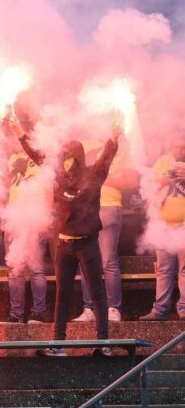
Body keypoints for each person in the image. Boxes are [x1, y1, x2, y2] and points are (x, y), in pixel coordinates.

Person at [10, 116, 120, 357]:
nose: (65, 162)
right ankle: (59, 344)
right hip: (63, 244)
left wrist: (114, 137)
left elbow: (106, 157)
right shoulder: (57, 175)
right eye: (64, 157)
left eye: (70, 157)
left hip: (87, 243)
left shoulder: (93, 175)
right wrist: (18, 131)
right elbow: (36, 155)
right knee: (62, 294)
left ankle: (103, 343)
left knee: (97, 293)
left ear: (78, 158)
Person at [73, 137, 138, 323]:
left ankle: (112, 308)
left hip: (109, 206)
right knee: (84, 261)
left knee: (108, 260)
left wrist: (101, 175)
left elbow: (131, 181)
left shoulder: (123, 147)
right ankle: (89, 309)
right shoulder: (85, 144)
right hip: (85, 207)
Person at [0, 147, 48, 324]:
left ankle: (38, 312)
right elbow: (8, 188)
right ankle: (16, 314)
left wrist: (45, 217)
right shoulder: (12, 157)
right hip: (14, 219)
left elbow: (49, 188)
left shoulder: (41, 155)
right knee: (14, 270)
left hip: (34, 217)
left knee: (36, 268)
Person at [140, 137, 185, 321]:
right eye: (176, 145)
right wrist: (164, 180)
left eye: (182, 146)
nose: (179, 150)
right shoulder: (162, 162)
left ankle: (183, 309)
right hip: (163, 225)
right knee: (164, 269)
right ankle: (160, 309)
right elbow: (147, 188)